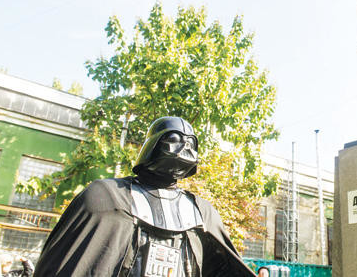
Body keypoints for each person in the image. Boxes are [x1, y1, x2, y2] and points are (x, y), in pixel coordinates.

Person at [34, 116, 255, 277]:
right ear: (154, 144)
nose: (185, 147)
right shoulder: (106, 197)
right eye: (175, 138)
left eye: (192, 143)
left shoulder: (203, 213)